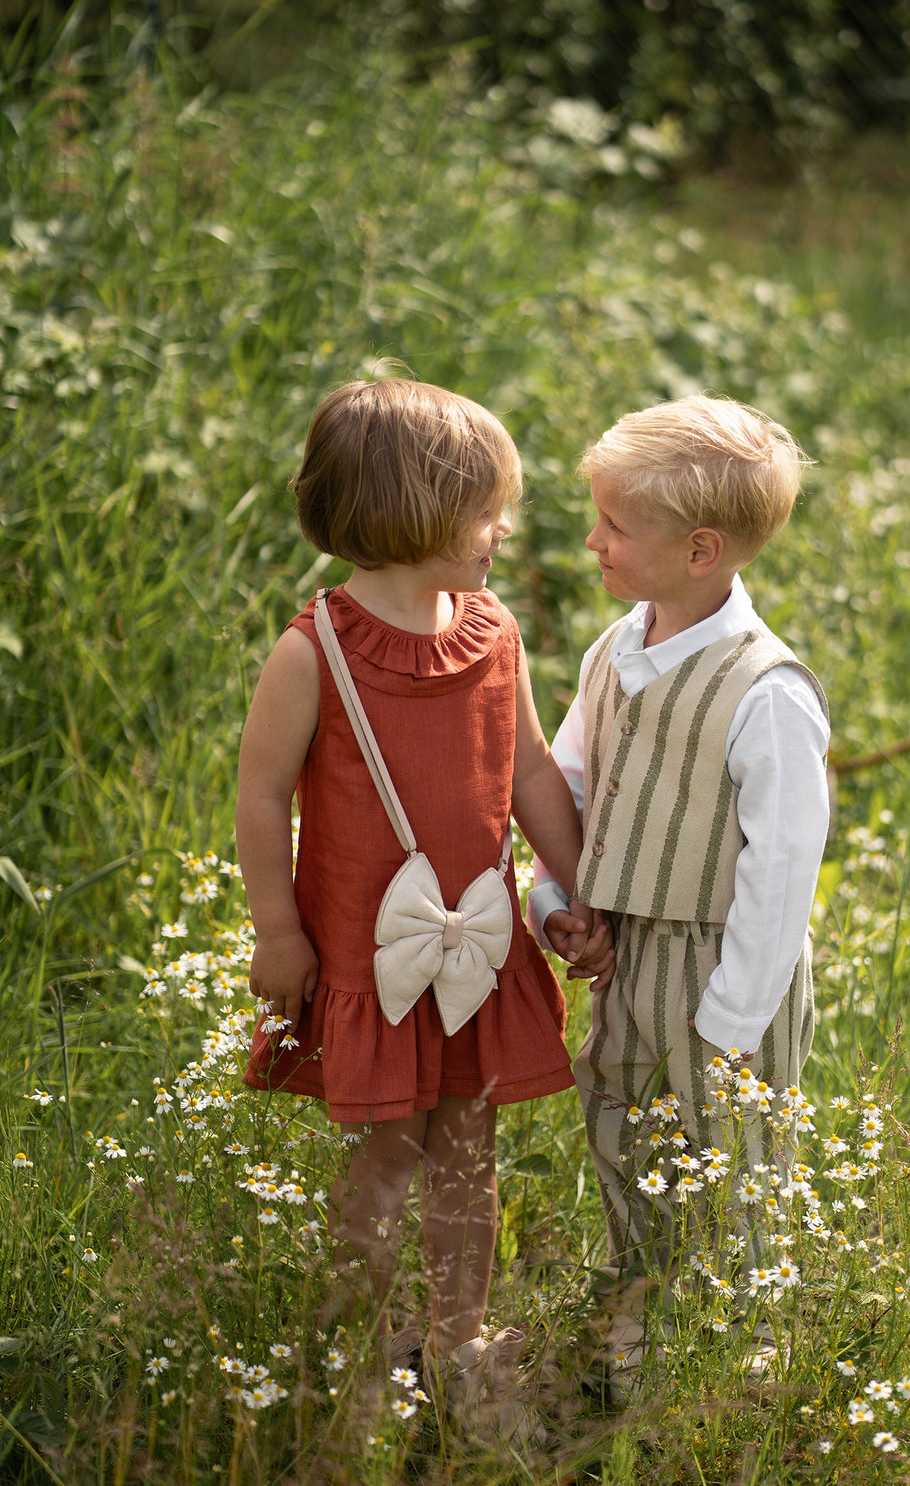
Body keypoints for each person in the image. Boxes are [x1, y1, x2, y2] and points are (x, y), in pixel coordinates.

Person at [237, 377, 609, 1402]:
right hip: (368, 953)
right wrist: (278, 931)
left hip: (478, 953)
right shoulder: (312, 651)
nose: (502, 529)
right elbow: (263, 795)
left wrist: (578, 888)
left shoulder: (491, 632)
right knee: (383, 1158)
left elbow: (529, 768)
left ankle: (455, 1342)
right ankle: (361, 1349)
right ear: (416, 511)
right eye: (485, 509)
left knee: (468, 1152)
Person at [530, 394, 830, 1383]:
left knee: (730, 1152)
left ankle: (743, 1348)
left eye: (616, 525)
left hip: (719, 964)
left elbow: (780, 865)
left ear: (700, 550)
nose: (593, 540)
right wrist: (556, 902)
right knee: (620, 1119)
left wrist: (733, 1017)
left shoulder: (764, 691)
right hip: (625, 951)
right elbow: (568, 782)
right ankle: (640, 1310)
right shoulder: (614, 653)